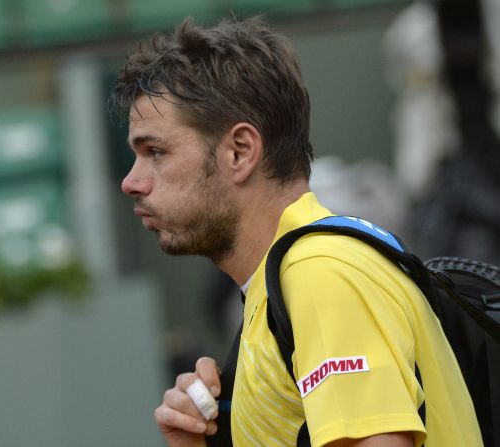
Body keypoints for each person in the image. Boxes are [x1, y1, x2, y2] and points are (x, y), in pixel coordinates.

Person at [110, 16, 483, 447]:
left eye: (155, 151)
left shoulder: (319, 273)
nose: (131, 181)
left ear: (240, 151)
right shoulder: (276, 287)